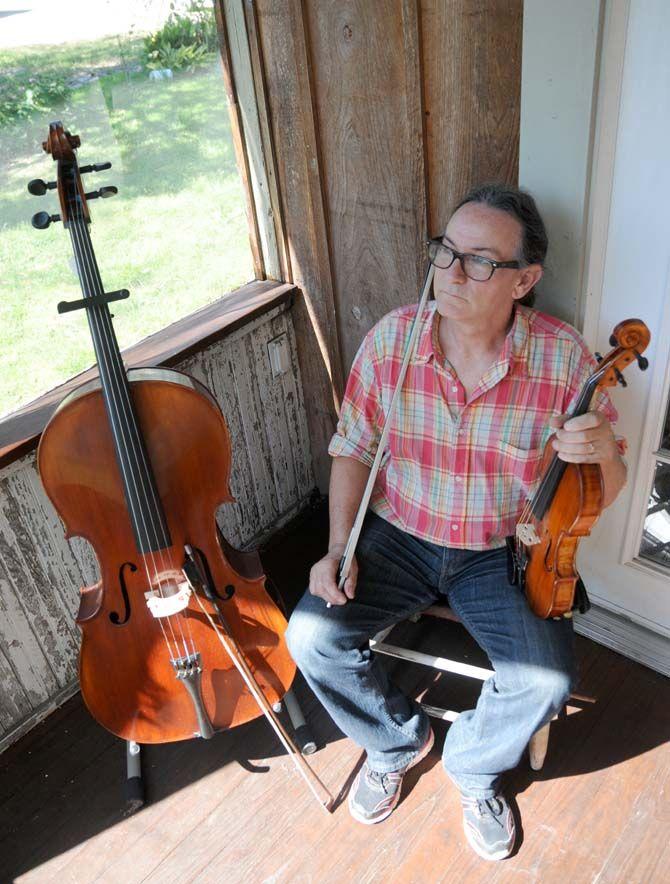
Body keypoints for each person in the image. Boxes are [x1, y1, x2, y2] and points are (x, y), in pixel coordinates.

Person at [285, 182, 627, 861]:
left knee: (546, 681)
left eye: (479, 261)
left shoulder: (563, 360)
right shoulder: (393, 339)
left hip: (499, 551)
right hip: (399, 534)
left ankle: (472, 767)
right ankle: (397, 740)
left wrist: (606, 452)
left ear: (525, 279)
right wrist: (334, 548)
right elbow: (352, 448)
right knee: (310, 638)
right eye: (446, 251)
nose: (450, 272)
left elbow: (604, 489)